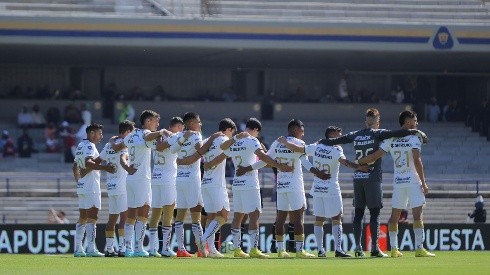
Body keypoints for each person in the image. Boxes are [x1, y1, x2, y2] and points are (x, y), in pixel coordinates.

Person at [319, 108, 427, 258]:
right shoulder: (378, 133)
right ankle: (375, 249)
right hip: (372, 178)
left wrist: (321, 142)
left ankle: (358, 248)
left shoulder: (355, 134)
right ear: (377, 122)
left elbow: (336, 140)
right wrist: (415, 132)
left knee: (358, 213)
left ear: (365, 121)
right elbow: (398, 132)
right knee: (374, 213)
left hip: (358, 177)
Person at [279, 125, 367, 258]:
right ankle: (338, 249)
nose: (341, 137)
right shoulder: (336, 149)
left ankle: (320, 250)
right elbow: (344, 162)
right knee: (336, 218)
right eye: (339, 134)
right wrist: (358, 167)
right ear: (332, 134)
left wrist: (285, 143)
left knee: (319, 219)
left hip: (318, 188)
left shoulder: (317, 145)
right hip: (331, 188)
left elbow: (300, 152)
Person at [210, 117, 293, 258]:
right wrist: (279, 166)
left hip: (237, 183)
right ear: (256, 130)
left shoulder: (236, 140)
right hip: (250, 183)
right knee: (254, 214)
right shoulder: (253, 141)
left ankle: (237, 249)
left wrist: (209, 164)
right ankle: (254, 249)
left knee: (238, 216)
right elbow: (264, 158)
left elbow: (223, 153)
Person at [358, 110, 435, 257]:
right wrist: (424, 183)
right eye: (415, 120)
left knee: (394, 216)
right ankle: (419, 248)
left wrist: (358, 162)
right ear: (408, 122)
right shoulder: (415, 136)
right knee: (418, 216)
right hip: (412, 181)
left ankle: (394, 249)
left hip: (398, 182)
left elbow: (375, 156)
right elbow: (417, 160)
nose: (417, 123)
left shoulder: (391, 137)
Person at [109, 110, 170, 257]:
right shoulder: (145, 134)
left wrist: (112, 140)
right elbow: (148, 136)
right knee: (143, 212)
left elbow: (116, 147)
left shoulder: (130, 135)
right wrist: (161, 132)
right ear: (148, 121)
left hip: (130, 178)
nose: (158, 124)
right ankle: (138, 248)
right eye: (156, 121)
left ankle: (127, 248)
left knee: (131, 213)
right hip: (142, 178)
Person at [173, 112, 222, 257]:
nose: (200, 124)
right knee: (197, 216)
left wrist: (181, 160)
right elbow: (202, 149)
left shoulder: (179, 135)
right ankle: (202, 250)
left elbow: (172, 150)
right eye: (198, 122)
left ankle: (181, 249)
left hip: (179, 178)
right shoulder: (195, 135)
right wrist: (212, 138)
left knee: (180, 215)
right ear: (192, 123)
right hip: (192, 179)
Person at [147, 117, 191, 257]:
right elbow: (163, 147)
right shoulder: (174, 136)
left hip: (156, 177)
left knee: (155, 213)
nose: (182, 130)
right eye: (181, 127)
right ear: (178, 126)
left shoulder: (156, 137)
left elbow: (157, 146)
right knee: (168, 213)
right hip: (168, 179)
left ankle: (153, 248)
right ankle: (165, 248)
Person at [194, 118, 238, 258]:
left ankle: (211, 249)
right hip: (216, 183)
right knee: (224, 215)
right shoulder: (224, 139)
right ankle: (203, 239)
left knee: (211, 216)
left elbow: (198, 148)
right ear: (229, 129)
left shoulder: (209, 139)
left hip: (205, 181)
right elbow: (224, 153)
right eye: (233, 132)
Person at [72, 122, 116, 257]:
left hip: (82, 186)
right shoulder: (90, 146)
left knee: (83, 217)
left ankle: (78, 249)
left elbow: (75, 166)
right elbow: (88, 163)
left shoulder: (80, 145)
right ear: (92, 133)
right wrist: (106, 168)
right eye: (99, 133)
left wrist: (78, 181)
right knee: (92, 217)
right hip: (91, 187)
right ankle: (91, 249)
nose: (101, 136)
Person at [98, 120, 135, 257]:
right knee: (123, 220)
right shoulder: (124, 145)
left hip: (111, 186)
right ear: (126, 132)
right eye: (131, 132)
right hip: (122, 186)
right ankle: (122, 248)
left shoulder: (108, 145)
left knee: (112, 219)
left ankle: (109, 248)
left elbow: (97, 161)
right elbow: (122, 157)